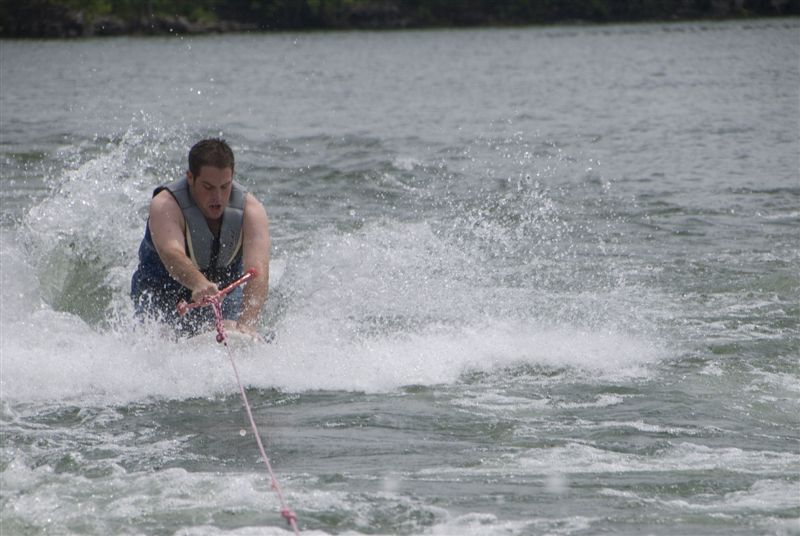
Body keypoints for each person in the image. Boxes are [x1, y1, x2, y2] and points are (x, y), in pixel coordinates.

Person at [131, 138, 269, 337]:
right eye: (208, 187)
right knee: (161, 336)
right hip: (161, 289)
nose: (218, 197)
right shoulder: (165, 205)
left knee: (235, 332)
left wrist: (247, 323)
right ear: (190, 177)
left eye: (225, 186)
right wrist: (198, 283)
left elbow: (258, 273)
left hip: (222, 292)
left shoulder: (251, 210)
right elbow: (171, 253)